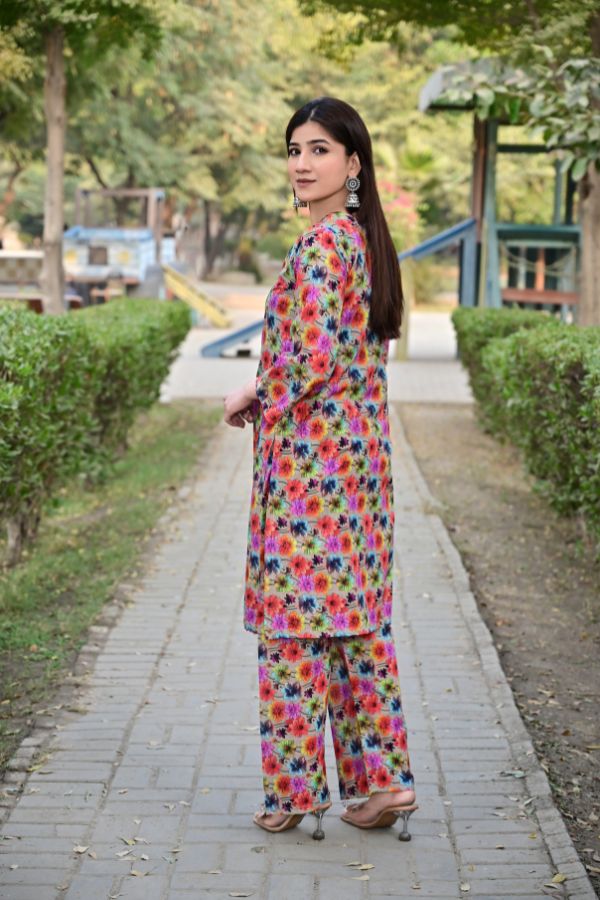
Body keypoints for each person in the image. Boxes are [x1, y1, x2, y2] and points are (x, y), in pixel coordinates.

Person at [223, 96, 416, 841]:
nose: (302, 163)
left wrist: (251, 389)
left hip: (311, 477)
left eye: (319, 150)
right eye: (295, 150)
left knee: (292, 634)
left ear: (353, 162)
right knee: (356, 630)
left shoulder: (322, 248)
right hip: (359, 476)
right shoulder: (369, 245)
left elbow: (304, 360)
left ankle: (293, 792)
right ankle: (385, 783)